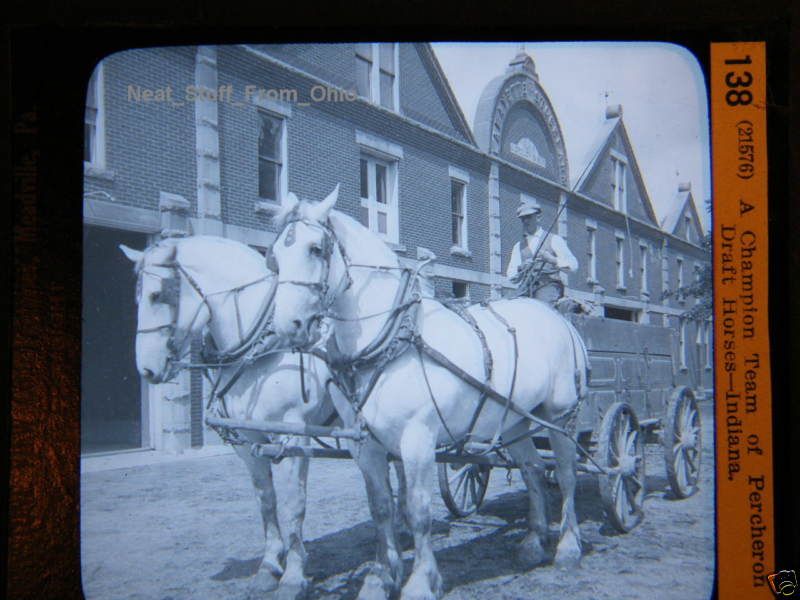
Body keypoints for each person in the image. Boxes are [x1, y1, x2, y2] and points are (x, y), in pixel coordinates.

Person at [506, 197, 577, 303]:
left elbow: (573, 266)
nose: (525, 221)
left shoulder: (554, 239)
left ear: (538, 217)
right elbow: (511, 276)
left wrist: (552, 260)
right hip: (526, 289)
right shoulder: (518, 246)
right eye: (522, 218)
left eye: (529, 217)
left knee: (540, 307)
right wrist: (521, 267)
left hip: (548, 287)